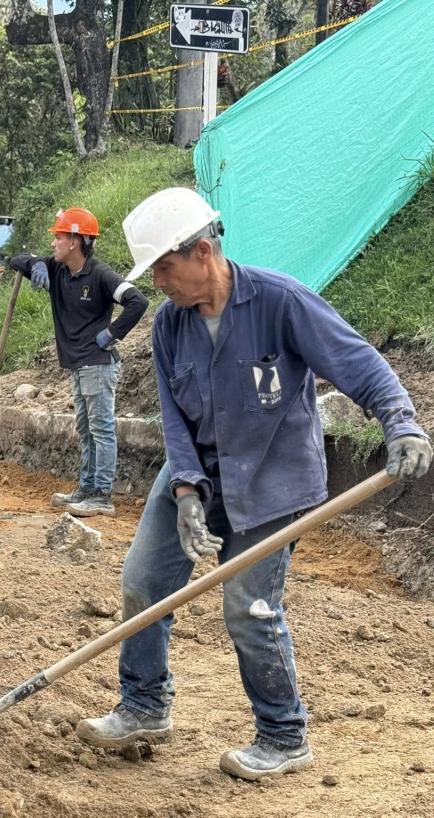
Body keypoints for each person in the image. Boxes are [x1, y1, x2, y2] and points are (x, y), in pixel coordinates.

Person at [75, 187, 431, 780]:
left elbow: (359, 362)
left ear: (203, 250)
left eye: (165, 266)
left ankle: (284, 734)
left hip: (274, 480)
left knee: (249, 606)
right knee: (142, 581)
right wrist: (185, 491)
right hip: (199, 472)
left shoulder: (280, 301)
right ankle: (143, 705)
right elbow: (173, 417)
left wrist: (402, 424)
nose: (159, 281)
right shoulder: (169, 326)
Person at [9, 207, 148, 517]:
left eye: (58, 237)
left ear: (75, 241)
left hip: (98, 363)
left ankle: (102, 494)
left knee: (101, 429)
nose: (54, 243)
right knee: (86, 429)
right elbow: (15, 260)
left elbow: (138, 301)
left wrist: (112, 334)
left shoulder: (100, 274)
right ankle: (86, 487)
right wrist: (34, 264)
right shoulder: (57, 269)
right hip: (79, 365)